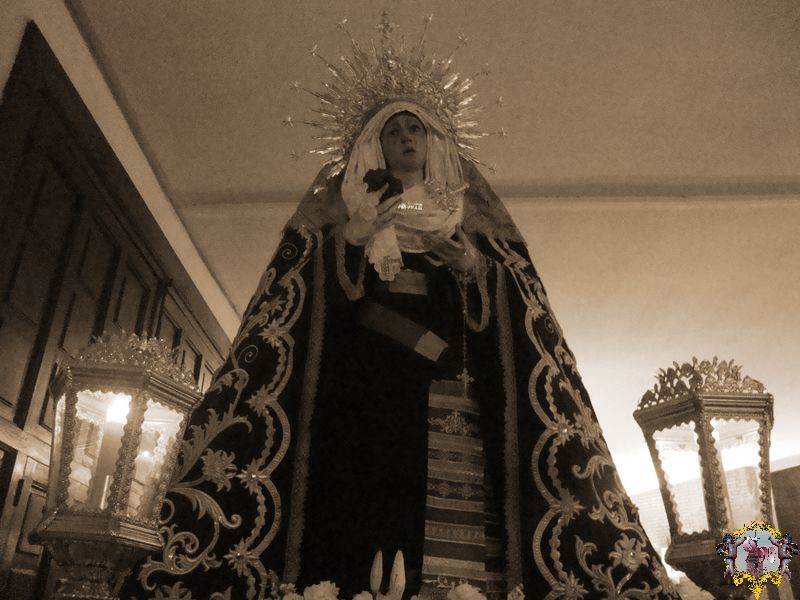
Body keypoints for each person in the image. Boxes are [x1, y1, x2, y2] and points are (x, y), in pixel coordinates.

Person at [122, 20, 679, 600]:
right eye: (394, 131)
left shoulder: (469, 228)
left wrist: (473, 269)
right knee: (363, 501)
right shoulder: (345, 220)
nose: (407, 138)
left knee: (452, 523)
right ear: (376, 146)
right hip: (365, 392)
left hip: (446, 390)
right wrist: (354, 238)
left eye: (416, 128)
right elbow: (301, 305)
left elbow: (513, 323)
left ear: (434, 142)